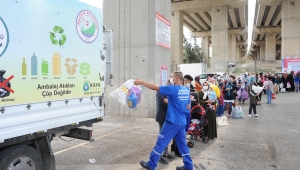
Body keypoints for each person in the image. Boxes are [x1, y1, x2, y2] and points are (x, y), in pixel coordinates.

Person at [136, 71, 193, 170]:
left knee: (161, 142)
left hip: (172, 122)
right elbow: (187, 106)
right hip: (181, 122)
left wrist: (141, 82)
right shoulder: (185, 90)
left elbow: (155, 87)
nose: (170, 78)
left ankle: (151, 164)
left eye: (172, 77)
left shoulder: (173, 89)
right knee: (182, 145)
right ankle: (188, 166)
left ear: (176, 79)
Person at [155, 80, 175, 165]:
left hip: (168, 117)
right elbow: (161, 102)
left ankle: (165, 153)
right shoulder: (161, 90)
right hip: (162, 117)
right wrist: (171, 103)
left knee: (166, 137)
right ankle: (158, 156)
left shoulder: (168, 91)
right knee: (162, 137)